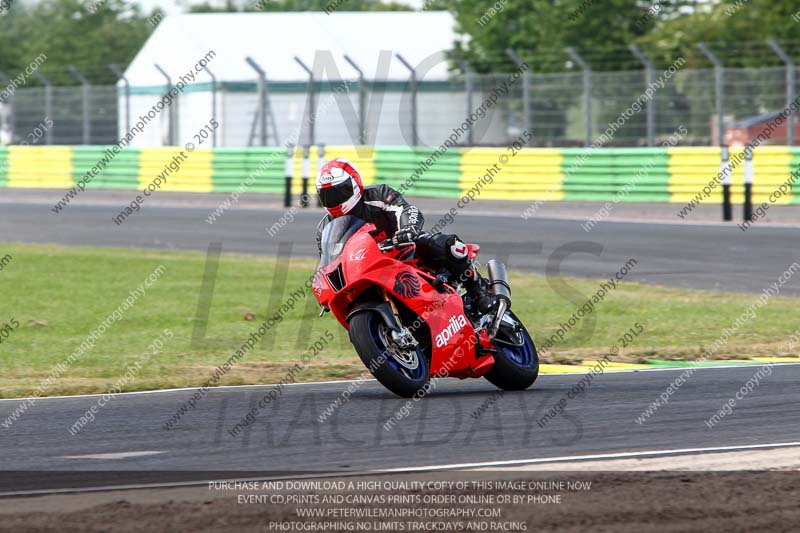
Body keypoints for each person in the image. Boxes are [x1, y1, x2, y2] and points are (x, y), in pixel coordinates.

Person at [315, 157, 494, 313]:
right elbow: (327, 262)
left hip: (403, 249)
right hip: (367, 268)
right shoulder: (325, 227)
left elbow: (407, 210)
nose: (334, 200)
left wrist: (407, 229)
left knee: (448, 245)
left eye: (339, 193)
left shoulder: (378, 194)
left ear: (355, 185)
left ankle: (479, 291)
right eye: (327, 196)